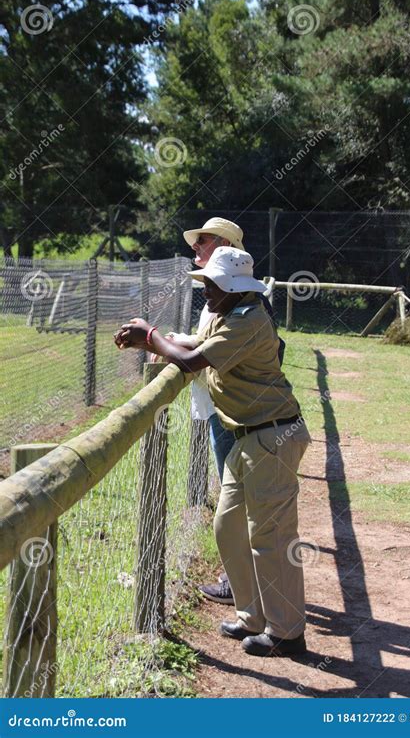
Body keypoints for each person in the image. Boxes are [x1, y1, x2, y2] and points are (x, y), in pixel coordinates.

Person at [114, 246, 310, 657]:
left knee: (271, 538)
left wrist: (149, 337)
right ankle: (252, 616)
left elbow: (189, 360)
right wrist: (158, 340)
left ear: (234, 288)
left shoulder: (248, 321)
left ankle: (287, 632)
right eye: (205, 283)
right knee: (228, 527)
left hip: (270, 437)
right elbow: (192, 346)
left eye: (212, 285)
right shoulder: (231, 313)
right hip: (248, 436)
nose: (206, 290)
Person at [163, 217, 284, 606]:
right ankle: (245, 584)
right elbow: (205, 344)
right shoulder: (228, 297)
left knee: (240, 505)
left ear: (227, 246)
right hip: (226, 409)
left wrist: (155, 341)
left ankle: (243, 586)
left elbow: (205, 355)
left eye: (204, 241)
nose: (195, 248)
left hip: (235, 414)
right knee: (237, 501)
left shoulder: (244, 306)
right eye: (196, 242)